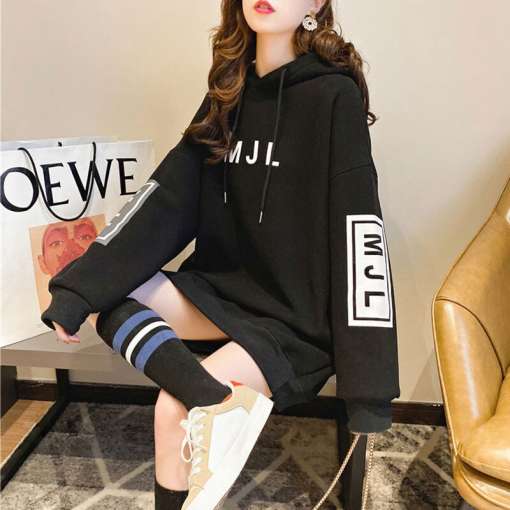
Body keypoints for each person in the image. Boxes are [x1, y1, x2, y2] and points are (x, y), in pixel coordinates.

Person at [40, 0, 401, 508]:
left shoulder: (332, 96)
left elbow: (358, 228)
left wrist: (368, 388)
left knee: (171, 413)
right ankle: (212, 397)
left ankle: (201, 400)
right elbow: (166, 200)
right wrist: (79, 289)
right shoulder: (228, 91)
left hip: (293, 320)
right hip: (220, 292)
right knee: (100, 291)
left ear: (317, 3)